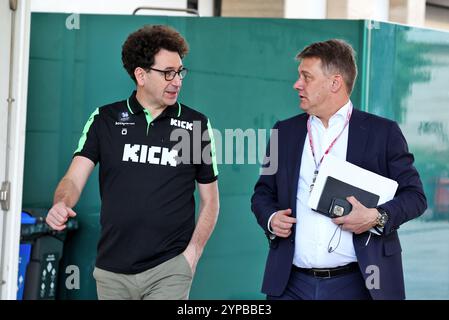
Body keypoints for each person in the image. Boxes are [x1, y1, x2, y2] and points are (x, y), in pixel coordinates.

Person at [45, 25, 219, 300]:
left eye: (180, 72)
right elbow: (74, 178)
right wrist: (61, 203)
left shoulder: (195, 125)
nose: (177, 81)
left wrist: (193, 253)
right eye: (167, 73)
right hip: (112, 271)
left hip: (169, 268)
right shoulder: (105, 119)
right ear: (140, 74)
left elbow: (211, 200)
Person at [251, 39, 426, 300]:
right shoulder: (284, 132)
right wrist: (271, 219)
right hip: (290, 285)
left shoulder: (383, 133)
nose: (297, 84)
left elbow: (415, 197)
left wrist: (376, 217)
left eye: (306, 77)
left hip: (360, 284)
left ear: (334, 83)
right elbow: (262, 195)